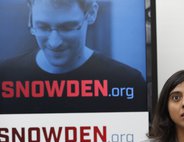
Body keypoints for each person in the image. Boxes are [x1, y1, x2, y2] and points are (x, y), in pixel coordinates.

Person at [0, 0, 146, 114]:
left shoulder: (126, 81)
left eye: (67, 27)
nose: (54, 43)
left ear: (91, 13)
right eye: (43, 27)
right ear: (30, 16)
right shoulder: (5, 75)